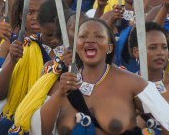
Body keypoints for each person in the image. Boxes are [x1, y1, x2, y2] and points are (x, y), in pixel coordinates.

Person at [38, 18, 169, 134]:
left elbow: (166, 121)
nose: (90, 40)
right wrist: (60, 93)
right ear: (77, 46)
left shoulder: (133, 83)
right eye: (83, 36)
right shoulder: (62, 85)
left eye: (99, 36)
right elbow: (39, 130)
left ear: (109, 47)